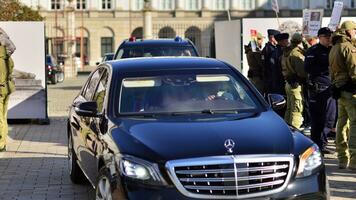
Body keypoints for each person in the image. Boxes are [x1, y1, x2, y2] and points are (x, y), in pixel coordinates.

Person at [329, 21, 356, 171]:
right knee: (354, 124)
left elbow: (331, 72)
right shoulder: (348, 47)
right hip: (350, 90)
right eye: (354, 30)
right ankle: (354, 160)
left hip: (339, 89)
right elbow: (354, 70)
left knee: (342, 123)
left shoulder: (334, 47)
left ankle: (342, 158)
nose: (355, 33)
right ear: (347, 31)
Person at [305, 27, 336, 154]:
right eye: (326, 37)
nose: (329, 39)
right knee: (317, 119)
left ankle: (321, 144)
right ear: (319, 37)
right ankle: (317, 146)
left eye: (330, 36)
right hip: (318, 88)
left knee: (329, 119)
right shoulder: (313, 50)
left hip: (329, 89)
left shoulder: (332, 50)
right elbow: (307, 68)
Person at [281, 33, 306, 129]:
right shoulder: (296, 53)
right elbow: (302, 72)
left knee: (289, 108)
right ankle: (295, 131)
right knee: (297, 109)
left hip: (288, 82)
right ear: (299, 42)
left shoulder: (286, 52)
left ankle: (287, 129)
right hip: (296, 84)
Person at [0, 27, 16, 152]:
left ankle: (1, 144)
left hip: (0, 90)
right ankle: (3, 141)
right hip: (7, 89)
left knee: (0, 118)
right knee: (4, 116)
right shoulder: (7, 59)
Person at [262, 29, 280, 94]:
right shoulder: (270, 49)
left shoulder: (268, 48)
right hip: (272, 78)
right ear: (272, 38)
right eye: (276, 38)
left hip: (269, 78)